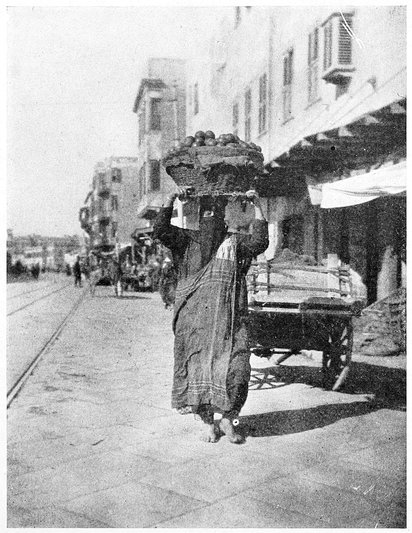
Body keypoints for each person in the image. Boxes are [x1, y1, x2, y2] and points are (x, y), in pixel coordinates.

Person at [153, 189, 268, 443]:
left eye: (216, 212)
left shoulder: (234, 243)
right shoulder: (186, 241)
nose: (211, 218)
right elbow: (160, 230)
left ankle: (229, 419)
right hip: (195, 327)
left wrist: (257, 205)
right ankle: (209, 424)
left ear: (224, 219)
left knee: (239, 370)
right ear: (198, 216)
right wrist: (171, 199)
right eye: (206, 212)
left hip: (230, 324)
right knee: (197, 373)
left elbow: (260, 242)